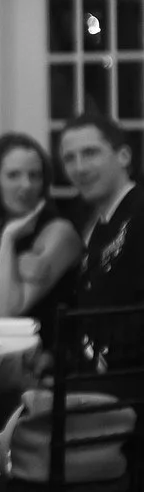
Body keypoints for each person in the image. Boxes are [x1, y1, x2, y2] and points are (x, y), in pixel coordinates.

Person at [0, 133, 81, 347]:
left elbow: (7, 312)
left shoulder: (59, 232)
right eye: (13, 175)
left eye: (35, 176)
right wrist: (10, 267)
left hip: (42, 359)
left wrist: (9, 239)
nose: (26, 185)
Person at [60, 112, 138, 368]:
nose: (79, 168)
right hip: (93, 373)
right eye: (69, 158)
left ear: (123, 156)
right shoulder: (93, 223)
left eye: (91, 153)